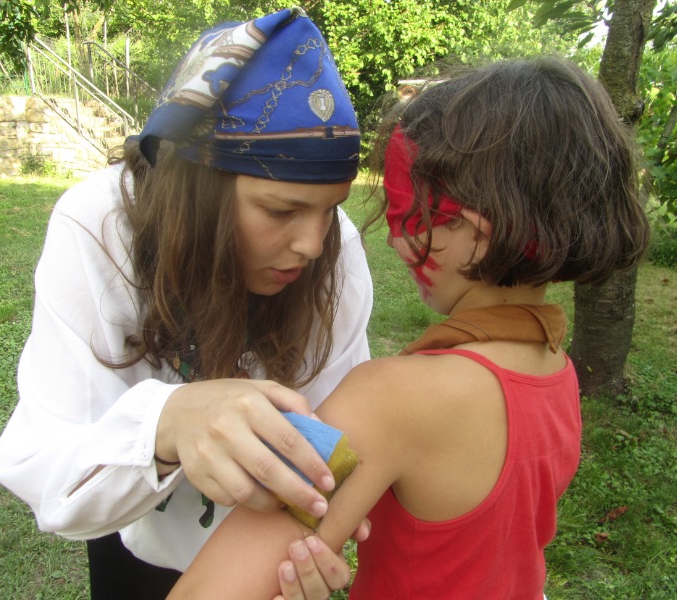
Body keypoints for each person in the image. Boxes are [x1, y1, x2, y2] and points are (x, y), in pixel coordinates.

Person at [167, 56, 651, 599]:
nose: (397, 241)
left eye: (407, 214)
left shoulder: (394, 398)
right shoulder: (555, 371)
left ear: (474, 231)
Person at [0, 8, 373, 599]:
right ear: (196, 189)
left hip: (262, 556)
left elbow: (335, 439)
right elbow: (51, 478)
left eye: (330, 209)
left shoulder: (335, 253)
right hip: (135, 540)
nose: (313, 245)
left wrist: (315, 521)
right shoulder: (99, 227)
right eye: (280, 210)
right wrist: (166, 423)